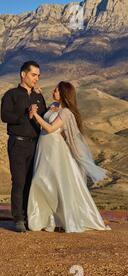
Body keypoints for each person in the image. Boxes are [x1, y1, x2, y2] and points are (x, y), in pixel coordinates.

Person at [28, 82, 110, 233]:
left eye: (57, 90)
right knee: (42, 180)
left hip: (55, 150)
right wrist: (37, 95)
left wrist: (35, 116)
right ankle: (46, 218)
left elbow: (51, 128)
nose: (53, 91)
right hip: (43, 147)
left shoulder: (66, 113)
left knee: (51, 182)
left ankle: (59, 218)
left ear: (64, 94)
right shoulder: (54, 105)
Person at [1, 61, 47, 233]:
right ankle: (18, 219)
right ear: (23, 74)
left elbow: (45, 115)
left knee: (32, 182)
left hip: (36, 144)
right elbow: (4, 116)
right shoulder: (11, 95)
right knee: (19, 181)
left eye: (38, 76)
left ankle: (30, 217)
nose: (37, 78)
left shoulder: (38, 96)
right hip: (17, 143)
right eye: (34, 75)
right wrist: (25, 115)